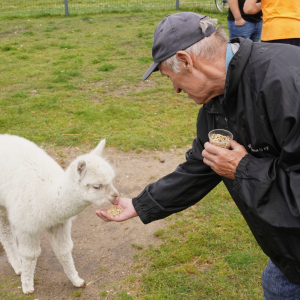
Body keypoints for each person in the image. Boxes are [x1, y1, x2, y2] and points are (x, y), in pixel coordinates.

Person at [96, 12, 300, 299]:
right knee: (277, 283)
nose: (176, 89)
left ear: (187, 61)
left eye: (171, 78)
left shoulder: (287, 83)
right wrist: (141, 205)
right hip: (289, 254)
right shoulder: (217, 105)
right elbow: (202, 166)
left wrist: (243, 169)